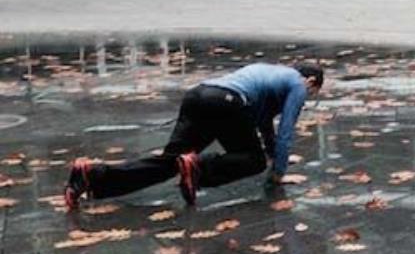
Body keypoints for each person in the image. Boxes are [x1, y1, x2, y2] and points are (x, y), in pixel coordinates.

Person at [64, 63, 323, 209]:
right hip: (226, 102)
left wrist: (272, 151)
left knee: (170, 163)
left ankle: (91, 176)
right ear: (311, 81)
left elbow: (264, 123)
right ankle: (198, 168)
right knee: (254, 161)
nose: (307, 97)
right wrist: (278, 172)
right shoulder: (297, 84)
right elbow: (286, 131)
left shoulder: (270, 73)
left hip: (199, 96)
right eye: (313, 93)